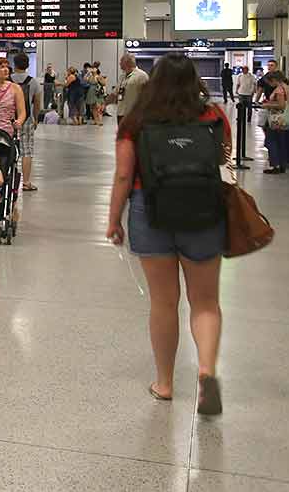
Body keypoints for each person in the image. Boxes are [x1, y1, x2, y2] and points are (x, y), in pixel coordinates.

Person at [105, 52, 231, 416]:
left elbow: (124, 176)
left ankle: (165, 383)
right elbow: (222, 160)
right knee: (205, 302)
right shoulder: (213, 115)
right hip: (204, 209)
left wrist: (114, 220)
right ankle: (206, 373)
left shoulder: (136, 121)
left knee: (164, 302)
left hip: (151, 209)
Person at [10, 53, 42, 191]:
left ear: (14, 65)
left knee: (8, 147)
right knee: (26, 150)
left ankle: (8, 181)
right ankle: (26, 182)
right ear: (27, 65)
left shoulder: (7, 80)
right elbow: (37, 103)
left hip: (9, 120)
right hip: (27, 119)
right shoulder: (33, 82)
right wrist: (35, 119)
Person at [260, 70, 289, 175]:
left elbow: (281, 105)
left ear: (274, 80)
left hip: (276, 120)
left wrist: (267, 105)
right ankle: (282, 164)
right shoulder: (286, 87)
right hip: (283, 119)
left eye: (269, 82)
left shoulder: (279, 90)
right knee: (280, 142)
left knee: (271, 141)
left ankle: (275, 165)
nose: (269, 85)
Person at [116, 53, 149, 123]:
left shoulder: (142, 76)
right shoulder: (122, 76)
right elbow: (116, 92)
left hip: (134, 115)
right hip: (121, 113)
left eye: (121, 61)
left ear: (127, 62)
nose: (119, 63)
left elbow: (148, 95)